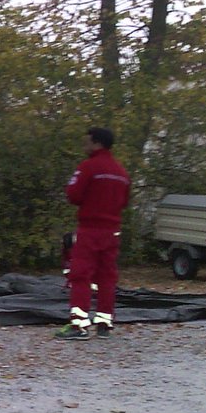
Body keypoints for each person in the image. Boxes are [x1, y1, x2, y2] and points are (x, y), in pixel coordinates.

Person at [58, 125, 131, 339]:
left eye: (87, 141)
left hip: (90, 229)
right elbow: (124, 201)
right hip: (113, 231)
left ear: (97, 143)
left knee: (80, 275)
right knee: (107, 277)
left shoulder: (89, 167)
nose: (84, 145)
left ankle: (79, 326)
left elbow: (73, 195)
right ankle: (104, 324)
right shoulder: (121, 172)